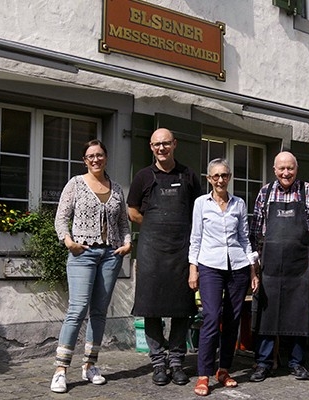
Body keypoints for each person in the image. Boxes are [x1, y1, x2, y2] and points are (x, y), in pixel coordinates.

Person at [50, 139, 132, 393]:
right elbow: (61, 218)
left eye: (99, 155)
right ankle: (60, 370)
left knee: (99, 311)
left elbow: (123, 223)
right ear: (84, 160)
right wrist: (68, 242)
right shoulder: (75, 184)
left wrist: (128, 243)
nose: (95, 159)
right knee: (77, 309)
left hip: (111, 255)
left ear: (105, 158)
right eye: (90, 156)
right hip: (83, 253)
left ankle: (90, 365)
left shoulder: (116, 188)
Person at [128, 128, 201, 387]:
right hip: (151, 251)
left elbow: (198, 211)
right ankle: (158, 362)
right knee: (151, 309)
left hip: (181, 251)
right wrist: (152, 225)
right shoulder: (143, 177)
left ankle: (177, 362)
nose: (162, 148)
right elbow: (132, 210)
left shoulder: (189, 175)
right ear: (151, 147)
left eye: (166, 144)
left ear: (175, 144)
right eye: (157, 144)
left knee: (182, 309)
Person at [249, 151, 309, 382]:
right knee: (267, 314)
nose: (286, 173)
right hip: (270, 266)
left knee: (298, 313)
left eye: (290, 168)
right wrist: (255, 264)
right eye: (282, 169)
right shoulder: (265, 192)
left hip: (300, 265)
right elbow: (255, 230)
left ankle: (297, 363)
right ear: (274, 170)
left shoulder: (308, 191)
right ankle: (263, 363)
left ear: (297, 168)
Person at [188, 158, 260, 396]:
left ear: (229, 177)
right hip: (209, 265)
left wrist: (252, 269)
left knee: (232, 319)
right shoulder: (201, 203)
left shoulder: (238, 203)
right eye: (216, 176)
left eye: (225, 175)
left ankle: (224, 369)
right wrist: (193, 269)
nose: (220, 180)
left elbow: (245, 237)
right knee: (211, 316)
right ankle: (203, 374)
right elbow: (195, 238)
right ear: (209, 178)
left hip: (238, 266)